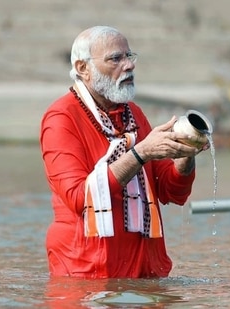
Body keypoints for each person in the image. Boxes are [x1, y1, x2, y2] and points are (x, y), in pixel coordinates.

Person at [39, 26, 208, 278]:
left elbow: (171, 192)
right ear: (83, 68)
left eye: (129, 56)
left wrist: (185, 155)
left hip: (143, 268)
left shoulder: (133, 114)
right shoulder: (61, 119)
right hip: (85, 272)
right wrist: (140, 154)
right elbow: (78, 197)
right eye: (115, 58)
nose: (129, 65)